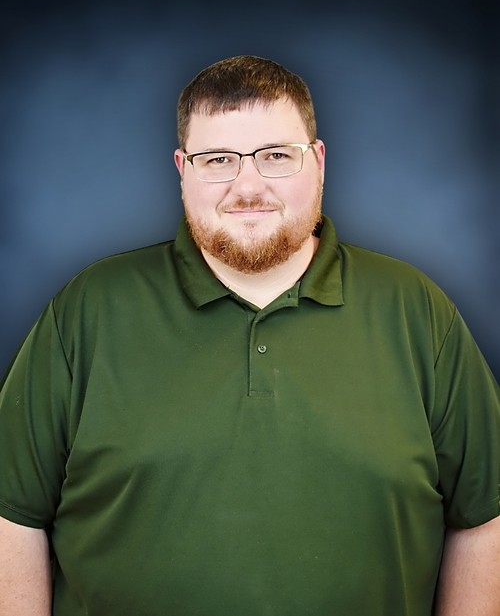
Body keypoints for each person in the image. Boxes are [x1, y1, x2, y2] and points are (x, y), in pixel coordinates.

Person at [0, 54, 498, 616]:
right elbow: (11, 517)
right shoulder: (87, 310)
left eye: (276, 156)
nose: (248, 186)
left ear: (319, 162)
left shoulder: (416, 311)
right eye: (218, 159)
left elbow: (483, 517)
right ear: (182, 170)